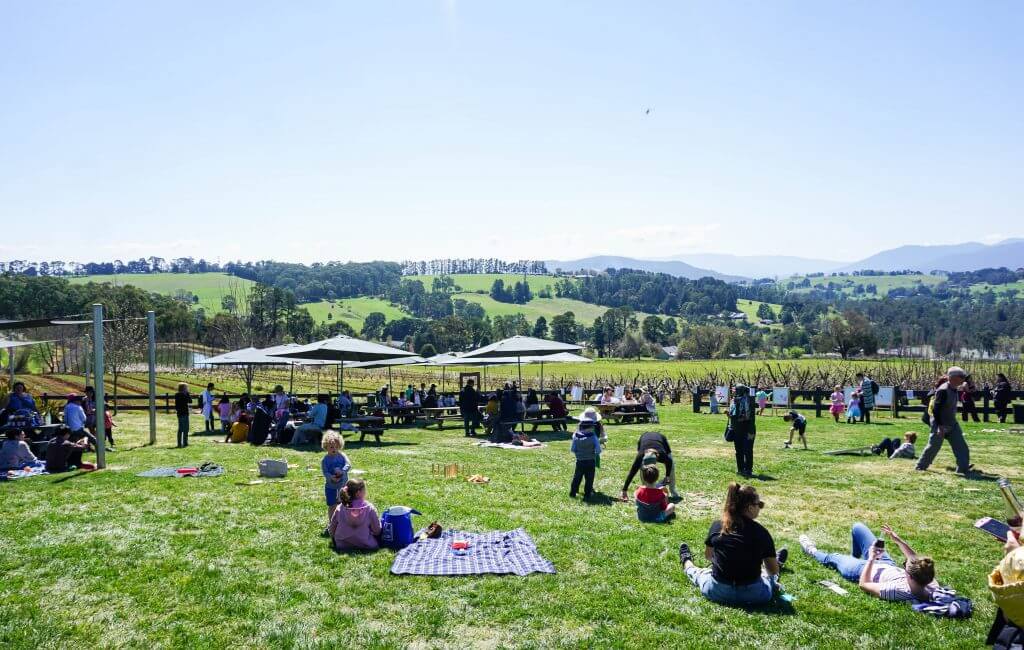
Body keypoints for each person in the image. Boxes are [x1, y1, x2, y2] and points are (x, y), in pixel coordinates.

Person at [679, 483, 785, 606]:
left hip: (717, 591)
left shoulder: (718, 526)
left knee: (699, 573)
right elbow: (772, 570)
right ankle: (777, 562)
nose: (760, 508)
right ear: (750, 508)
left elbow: (708, 556)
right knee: (769, 576)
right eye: (759, 505)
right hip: (755, 595)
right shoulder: (761, 532)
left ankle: (686, 561)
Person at [800, 523, 941, 602]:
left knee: (833, 558)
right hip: (886, 563)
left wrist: (872, 558)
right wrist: (898, 540)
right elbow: (914, 560)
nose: (906, 563)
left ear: (909, 576)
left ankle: (811, 550)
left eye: (905, 565)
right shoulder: (930, 583)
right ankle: (852, 558)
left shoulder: (897, 592)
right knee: (857, 528)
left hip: (862, 571)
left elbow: (864, 584)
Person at [916, 366, 972, 475]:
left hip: (952, 423)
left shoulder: (954, 388)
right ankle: (920, 466)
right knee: (933, 447)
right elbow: (936, 410)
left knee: (962, 447)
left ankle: (963, 469)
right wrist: (940, 426)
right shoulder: (943, 390)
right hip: (939, 423)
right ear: (953, 377)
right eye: (961, 377)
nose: (963, 379)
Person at [621, 431, 679, 500]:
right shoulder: (640, 456)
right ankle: (646, 489)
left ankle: (673, 490)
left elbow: (670, 462)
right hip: (644, 437)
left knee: (671, 467)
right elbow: (632, 472)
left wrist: (667, 476)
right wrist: (624, 490)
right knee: (642, 471)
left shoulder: (662, 455)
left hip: (661, 439)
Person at [329, 478, 381, 551]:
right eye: (364, 490)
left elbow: (332, 528)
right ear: (358, 493)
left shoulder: (340, 507)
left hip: (342, 544)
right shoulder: (369, 508)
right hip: (365, 544)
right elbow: (377, 531)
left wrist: (333, 538)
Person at [321, 431, 352, 534]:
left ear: (339, 446)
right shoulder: (325, 459)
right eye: (331, 447)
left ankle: (344, 523)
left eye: (335, 447)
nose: (333, 449)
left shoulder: (342, 456)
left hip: (343, 486)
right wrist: (331, 477)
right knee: (332, 505)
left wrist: (342, 471)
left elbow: (348, 465)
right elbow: (325, 472)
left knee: (344, 504)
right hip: (331, 487)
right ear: (326, 447)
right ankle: (331, 524)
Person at [727, 385, 757, 478]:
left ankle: (748, 470)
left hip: (748, 429)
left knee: (747, 450)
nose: (735, 392)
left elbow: (748, 416)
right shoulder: (734, 400)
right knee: (738, 450)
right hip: (737, 429)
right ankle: (740, 469)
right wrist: (729, 415)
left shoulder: (748, 400)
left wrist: (751, 431)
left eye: (737, 390)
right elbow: (734, 415)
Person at [569, 414, 601, 499]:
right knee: (589, 478)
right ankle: (587, 493)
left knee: (577, 477)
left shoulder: (576, 436)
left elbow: (573, 449)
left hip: (579, 461)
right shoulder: (593, 437)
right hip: (590, 460)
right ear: (590, 427)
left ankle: (573, 492)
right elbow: (598, 450)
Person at [174, 383, 191, 448]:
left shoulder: (183, 394)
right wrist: (187, 394)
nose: (187, 389)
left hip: (184, 413)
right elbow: (187, 400)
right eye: (186, 388)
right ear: (183, 388)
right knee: (182, 428)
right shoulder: (179, 395)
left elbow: (190, 401)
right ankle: (181, 443)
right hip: (182, 413)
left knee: (184, 429)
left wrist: (187, 394)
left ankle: (184, 443)